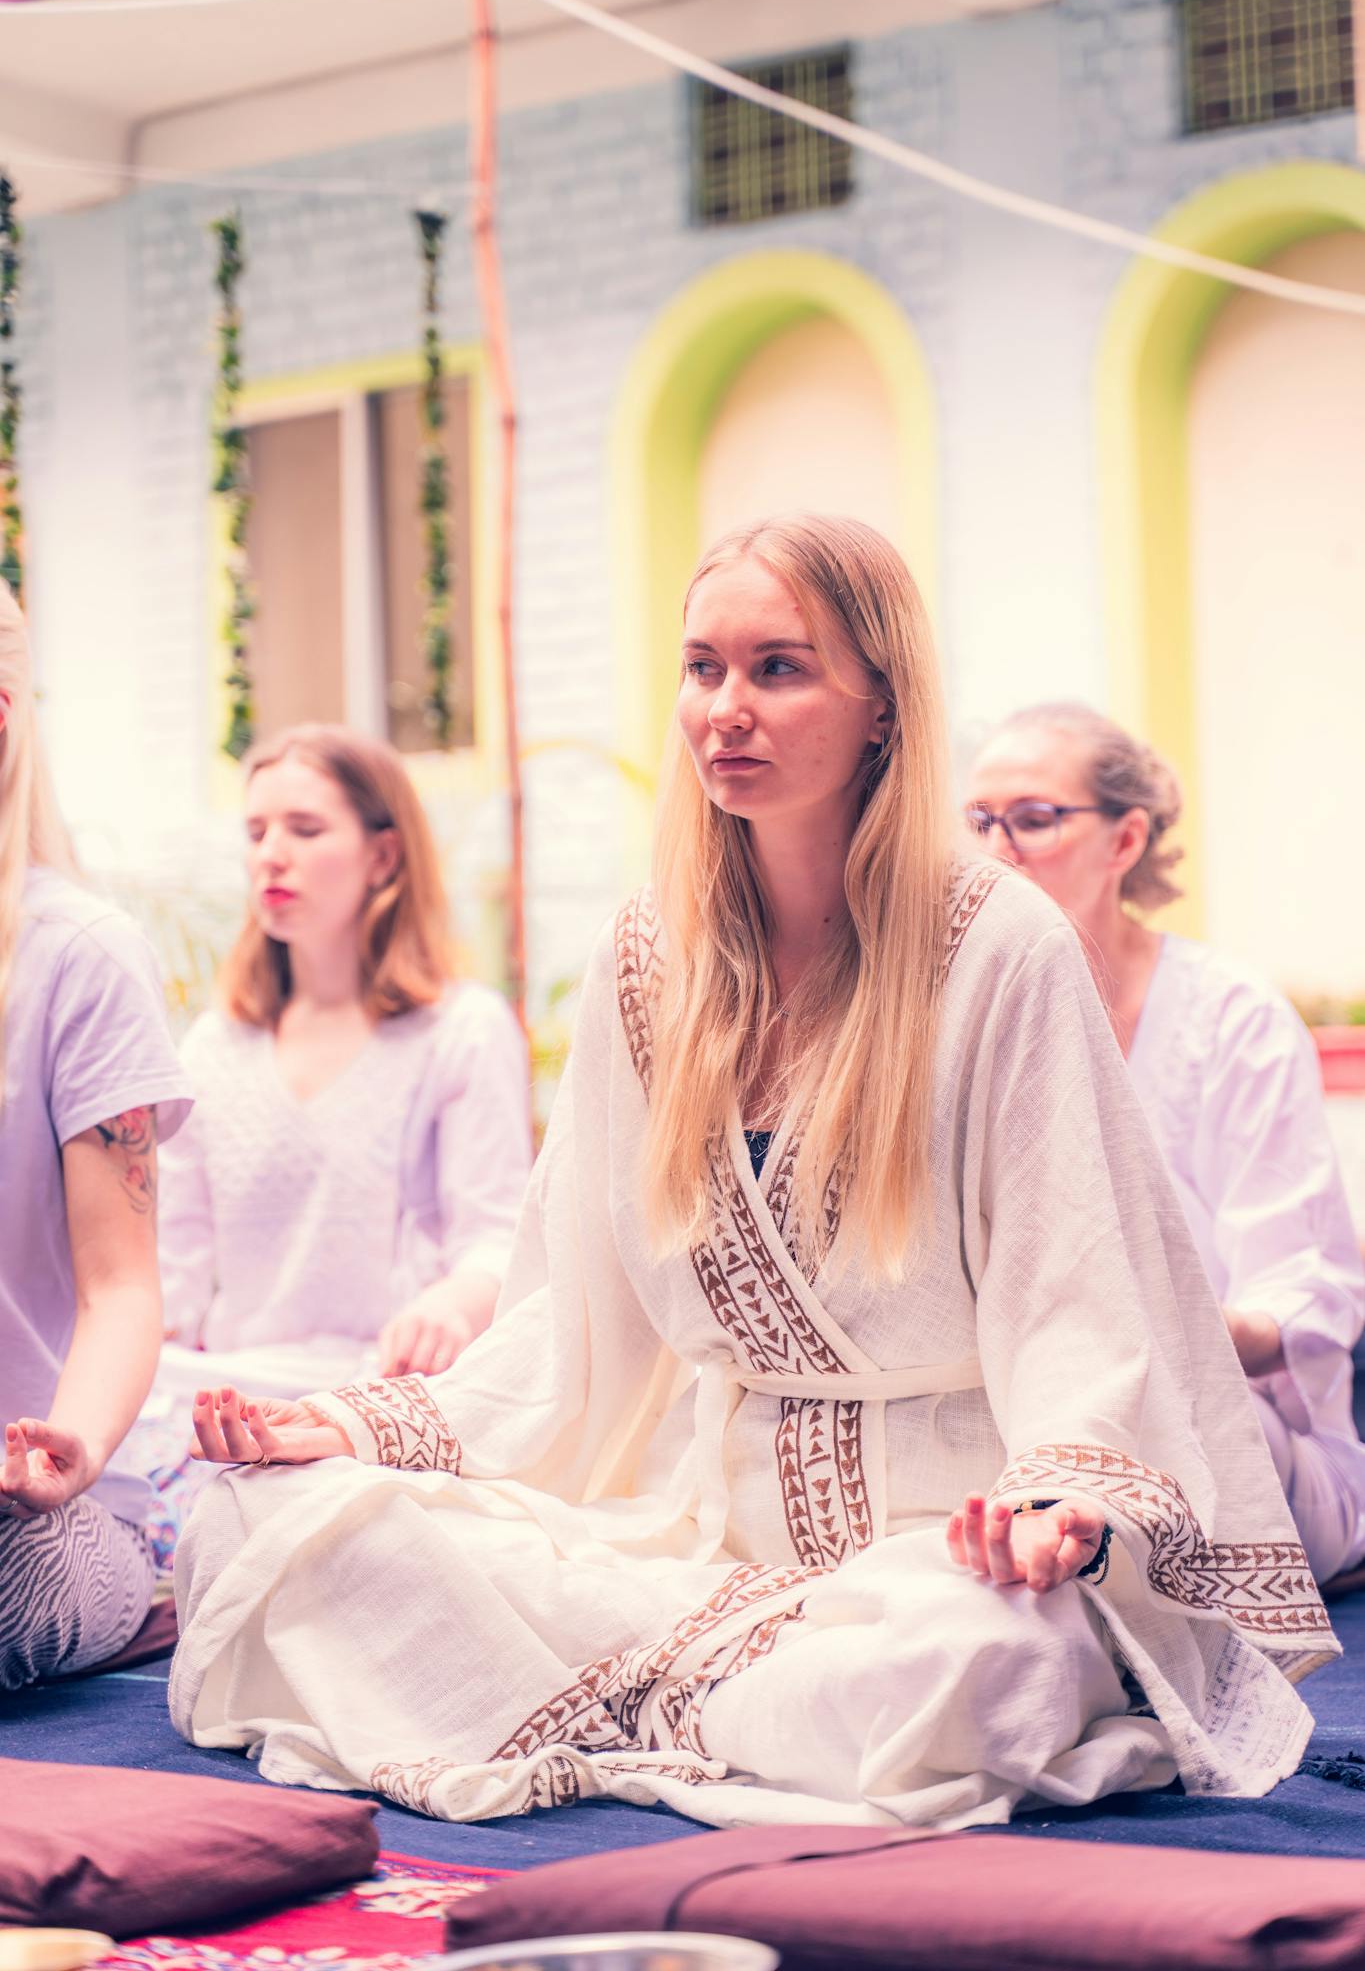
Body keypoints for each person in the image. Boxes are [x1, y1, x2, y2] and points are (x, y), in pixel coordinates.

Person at [171, 519, 1335, 1832]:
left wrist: (1055, 1504)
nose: (724, 710)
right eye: (702, 668)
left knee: (988, 1665)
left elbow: (1078, 1293)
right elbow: (573, 1321)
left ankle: (655, 1706)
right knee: (265, 1515)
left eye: (777, 668)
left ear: (881, 702)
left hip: (938, 1556)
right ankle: (709, 1707)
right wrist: (355, 1427)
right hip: (687, 1544)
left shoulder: (1000, 949)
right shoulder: (641, 959)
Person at [966, 703, 1365, 1584]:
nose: (996, 853)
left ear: (1124, 840)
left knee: (1132, 1416)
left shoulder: (1233, 1020)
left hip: (1248, 1439)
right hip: (1036, 1422)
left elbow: (1307, 1300)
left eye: (1032, 820)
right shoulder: (964, 1027)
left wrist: (1134, 1332)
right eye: (977, 823)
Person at [126, 725, 531, 1558]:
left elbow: (499, 1236)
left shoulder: (459, 1031)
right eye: (256, 832)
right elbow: (171, 1271)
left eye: (305, 830)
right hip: (234, 1392)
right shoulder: (212, 1047)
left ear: (384, 857)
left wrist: (452, 1305)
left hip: (378, 1394)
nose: (271, 855)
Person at [0, 583, 191, 1689]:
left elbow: (121, 1287)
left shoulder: (81, 956)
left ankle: (138, 1585)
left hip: (34, 1525)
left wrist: (64, 1450)